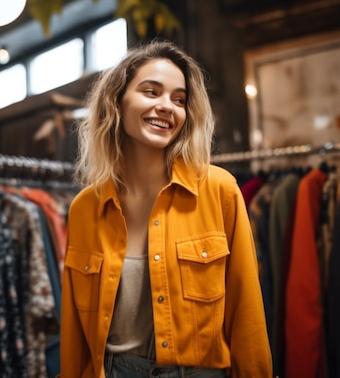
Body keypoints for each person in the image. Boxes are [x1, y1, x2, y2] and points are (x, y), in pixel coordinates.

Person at [59, 40, 273, 378]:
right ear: (117, 101)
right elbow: (73, 333)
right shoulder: (86, 207)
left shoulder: (220, 190)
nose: (166, 106)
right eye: (151, 91)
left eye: (178, 99)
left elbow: (246, 311)